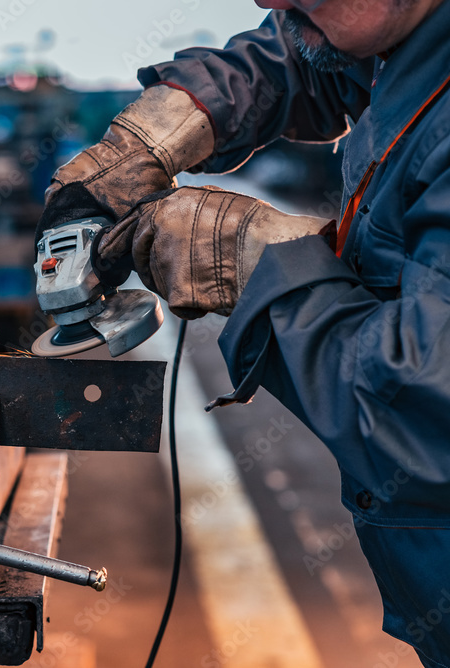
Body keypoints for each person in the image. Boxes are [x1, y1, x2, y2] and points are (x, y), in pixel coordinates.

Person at [36, 0, 450, 665]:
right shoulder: (404, 30)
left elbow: (424, 410)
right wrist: (155, 133)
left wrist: (253, 259)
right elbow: (299, 56)